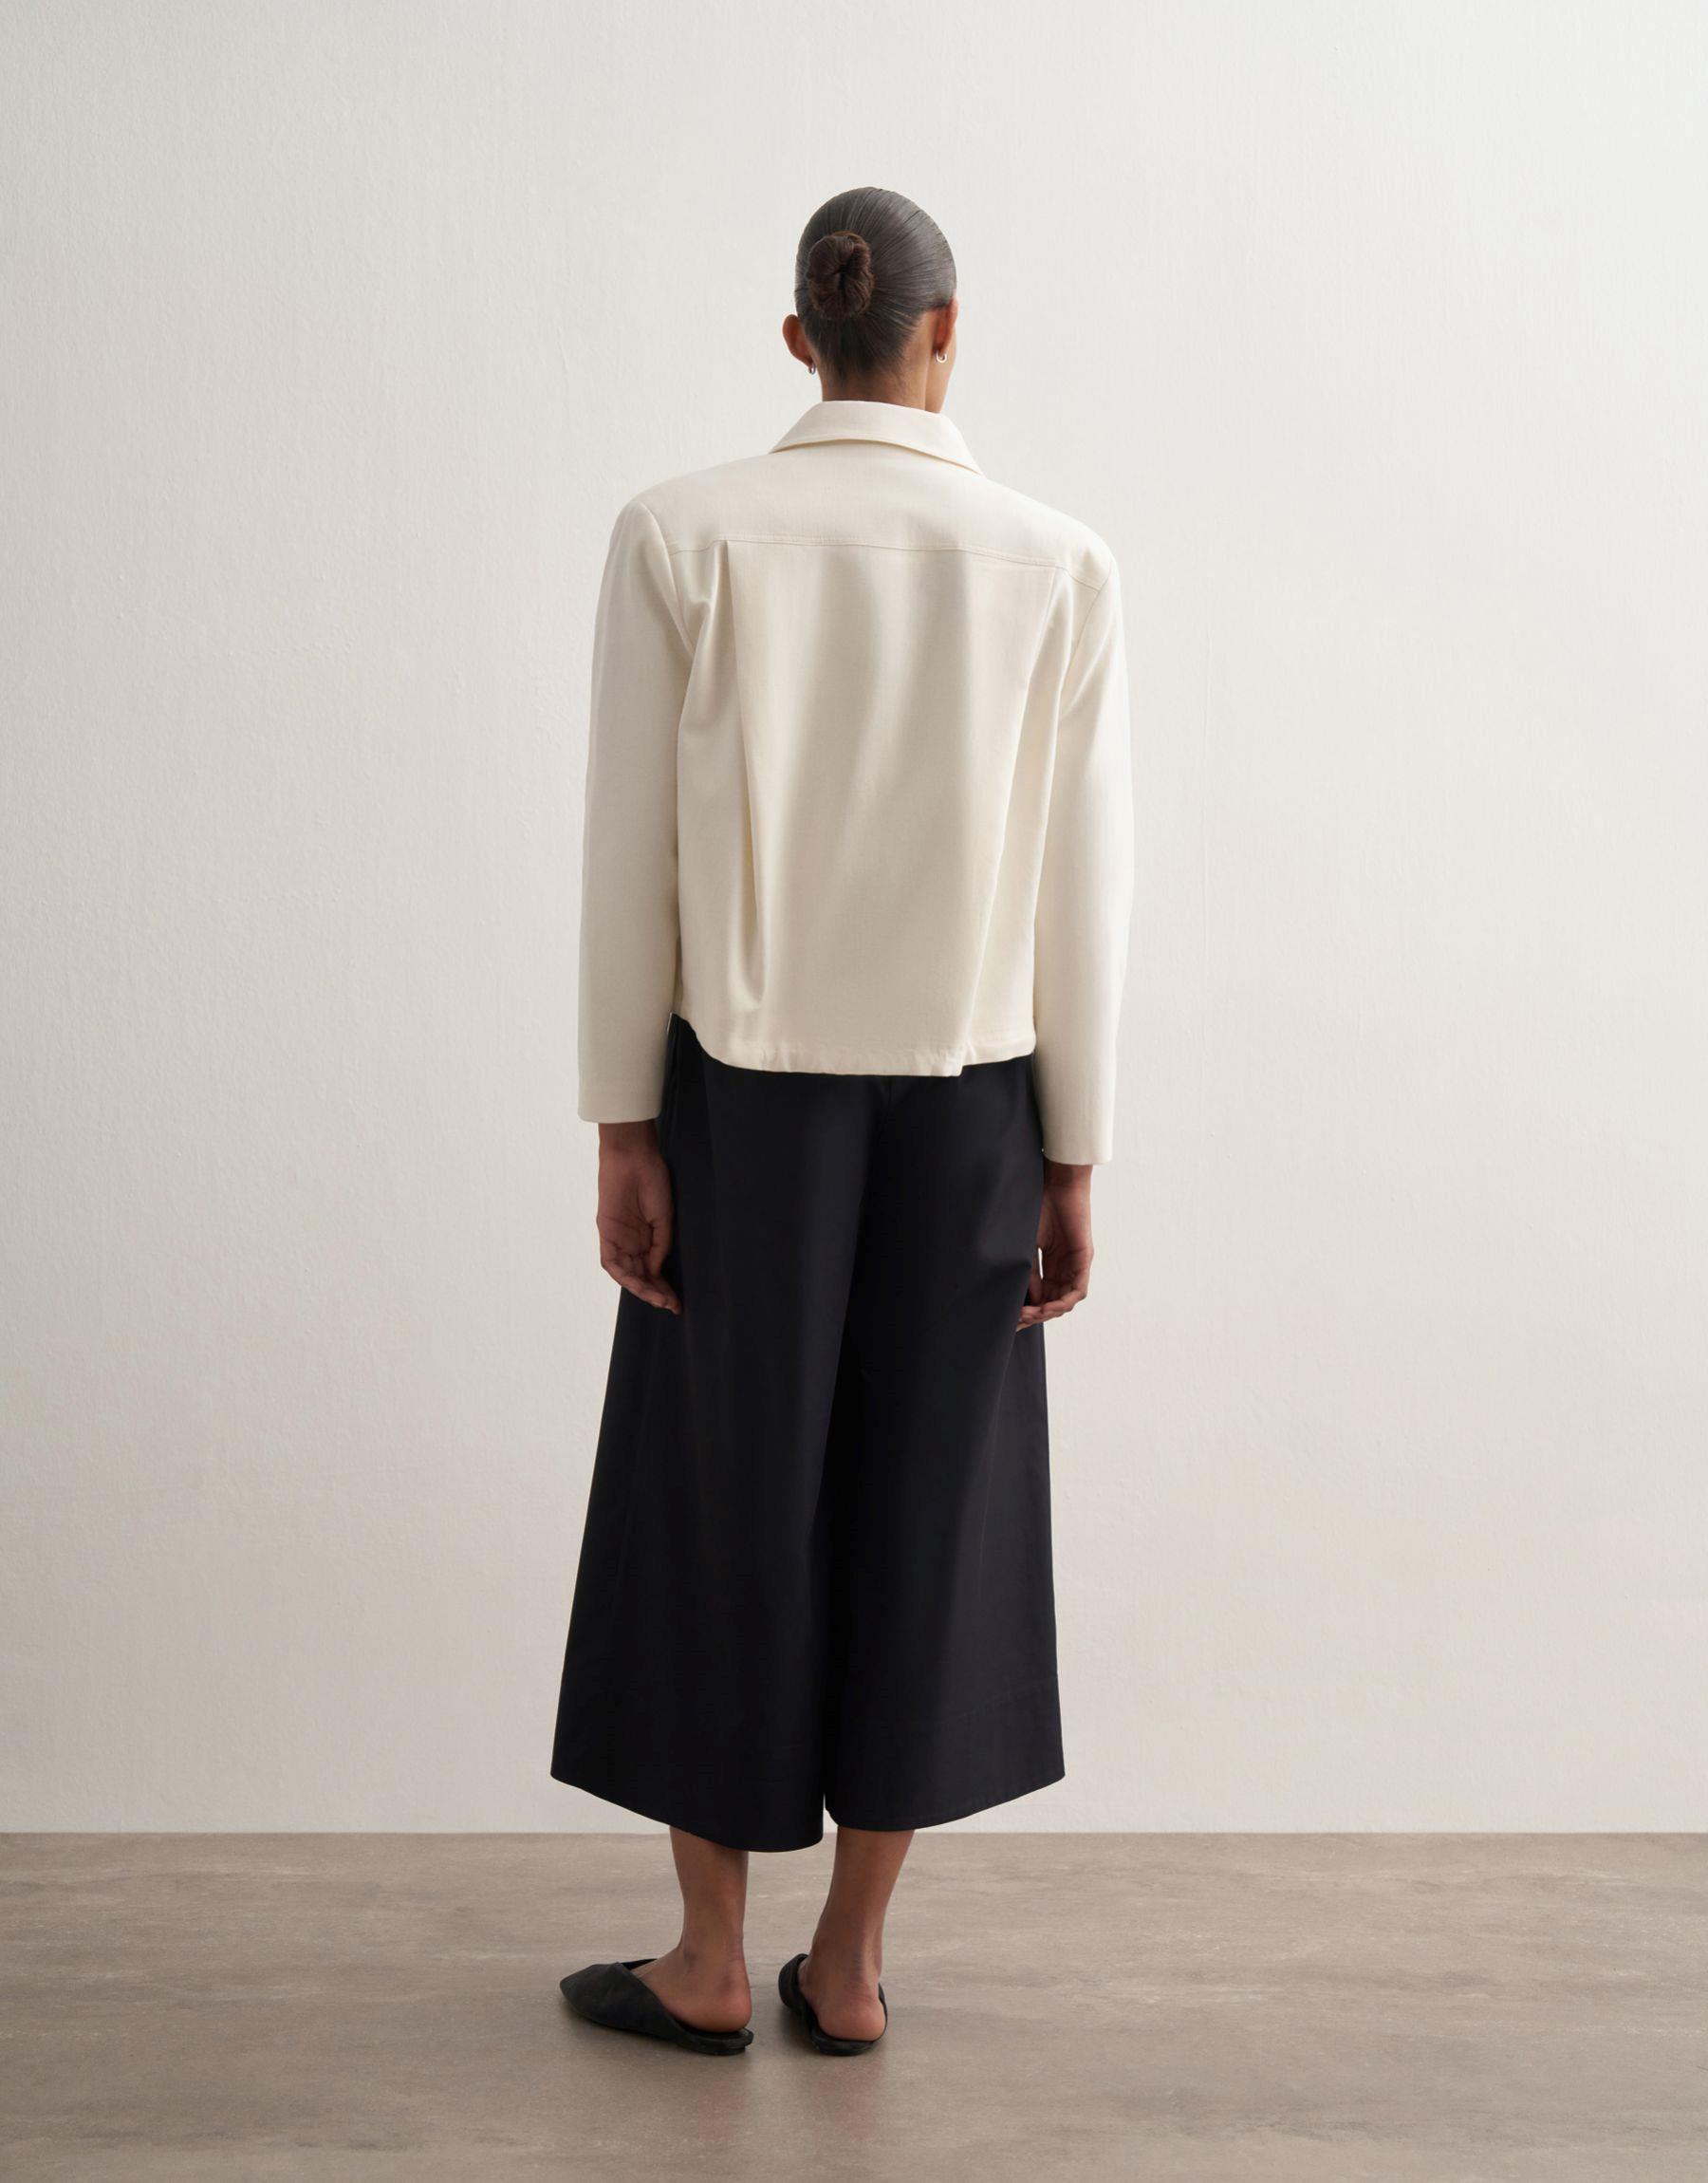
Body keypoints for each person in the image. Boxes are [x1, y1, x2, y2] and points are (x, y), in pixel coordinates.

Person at [551, 185, 1134, 2059]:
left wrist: (624, 1124)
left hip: (740, 1099)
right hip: (974, 1101)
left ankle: (710, 1960)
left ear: (800, 338)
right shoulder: (1060, 563)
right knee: (929, 1507)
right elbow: (1083, 891)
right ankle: (854, 1966)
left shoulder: (681, 534)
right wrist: (1073, 1149)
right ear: (946, 333)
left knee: (718, 1503)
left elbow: (629, 851)